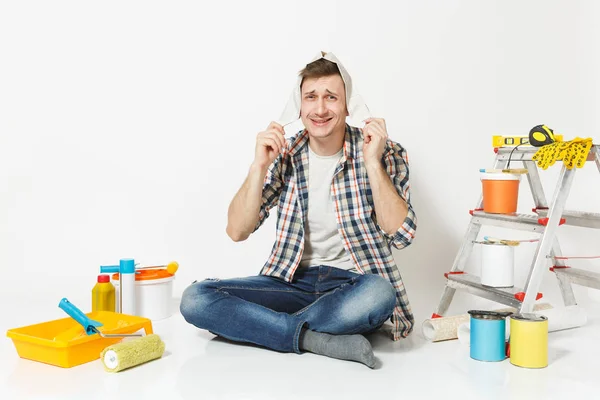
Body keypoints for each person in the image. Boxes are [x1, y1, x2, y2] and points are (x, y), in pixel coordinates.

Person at [180, 52, 417, 368]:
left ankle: (264, 327)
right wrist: (258, 165)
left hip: (353, 286)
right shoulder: (287, 154)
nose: (320, 109)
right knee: (195, 298)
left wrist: (372, 161)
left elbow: (401, 234)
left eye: (331, 97)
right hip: (289, 281)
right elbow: (237, 230)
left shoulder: (383, 150)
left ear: (348, 105)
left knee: (379, 295)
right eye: (311, 98)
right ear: (299, 106)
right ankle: (313, 338)